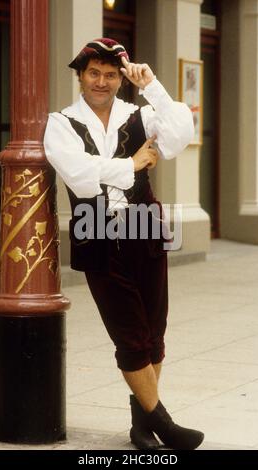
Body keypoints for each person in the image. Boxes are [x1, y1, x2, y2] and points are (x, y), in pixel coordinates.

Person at [44, 38, 204, 450]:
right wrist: (130, 164)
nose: (102, 81)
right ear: (80, 75)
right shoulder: (61, 122)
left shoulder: (139, 113)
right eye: (94, 73)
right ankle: (164, 424)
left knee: (153, 331)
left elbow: (181, 133)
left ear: (120, 79)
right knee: (128, 333)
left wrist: (152, 85)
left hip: (144, 223)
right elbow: (78, 174)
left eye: (111, 75)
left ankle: (141, 427)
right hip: (94, 228)